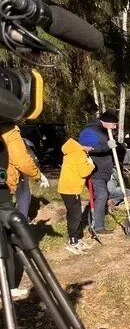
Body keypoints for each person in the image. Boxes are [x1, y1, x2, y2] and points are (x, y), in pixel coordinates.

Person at [1, 123, 49, 298]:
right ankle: (8, 286)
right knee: (4, 241)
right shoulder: (8, 127)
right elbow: (21, 159)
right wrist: (37, 174)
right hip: (2, 190)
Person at [79, 109, 119, 235]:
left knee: (103, 195)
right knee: (101, 195)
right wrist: (108, 146)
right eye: (114, 124)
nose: (115, 126)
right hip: (95, 172)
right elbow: (87, 149)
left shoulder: (103, 131)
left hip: (104, 171)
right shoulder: (90, 131)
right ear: (107, 121)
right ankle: (97, 227)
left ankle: (95, 224)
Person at [58, 138, 96, 254]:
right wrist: (91, 165)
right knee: (75, 215)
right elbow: (83, 172)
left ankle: (76, 238)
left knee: (73, 213)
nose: (93, 149)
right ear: (86, 145)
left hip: (67, 188)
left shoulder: (71, 152)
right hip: (71, 189)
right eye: (92, 146)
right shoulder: (80, 153)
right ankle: (73, 242)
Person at [15, 138, 40, 218]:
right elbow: (30, 160)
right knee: (24, 194)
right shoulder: (18, 140)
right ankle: (22, 219)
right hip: (18, 172)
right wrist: (37, 174)